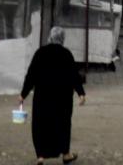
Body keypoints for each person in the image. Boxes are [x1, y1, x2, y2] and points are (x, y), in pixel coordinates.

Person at [20, 27, 85, 164]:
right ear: (62, 39)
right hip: (62, 98)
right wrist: (81, 93)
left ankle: (40, 156)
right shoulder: (66, 54)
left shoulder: (40, 53)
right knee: (63, 124)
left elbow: (31, 75)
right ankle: (66, 154)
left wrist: (23, 94)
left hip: (43, 97)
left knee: (40, 125)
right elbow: (74, 75)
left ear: (50, 37)